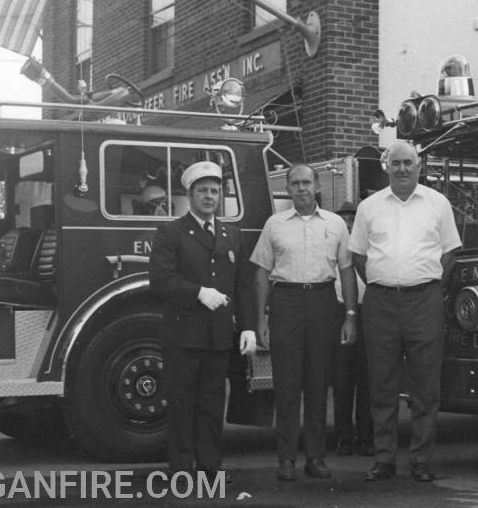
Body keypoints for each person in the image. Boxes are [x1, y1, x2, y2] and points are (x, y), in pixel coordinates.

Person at [349, 140, 462, 483]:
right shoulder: (369, 207)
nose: (401, 169)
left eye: (407, 163)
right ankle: (384, 459)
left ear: (419, 166)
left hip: (424, 302)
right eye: (395, 163)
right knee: (381, 383)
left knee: (425, 386)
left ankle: (421, 461)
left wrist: (428, 287)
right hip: (380, 304)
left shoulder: (438, 203)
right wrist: (384, 281)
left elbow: (450, 252)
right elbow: (357, 255)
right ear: (387, 167)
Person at [149, 161, 257, 483]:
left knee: (212, 406)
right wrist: (198, 293)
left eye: (214, 191)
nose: (209, 197)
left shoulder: (231, 234)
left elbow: (243, 285)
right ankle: (182, 470)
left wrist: (249, 326)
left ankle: (210, 468)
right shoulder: (171, 232)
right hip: (183, 337)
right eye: (203, 191)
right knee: (182, 406)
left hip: (217, 337)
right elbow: (161, 279)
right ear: (190, 195)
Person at [251, 164, 357, 482]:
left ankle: (315, 457)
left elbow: (348, 270)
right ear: (288, 188)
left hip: (324, 302)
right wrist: (261, 319)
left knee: (317, 383)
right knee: (286, 385)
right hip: (286, 303)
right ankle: (286, 459)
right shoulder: (274, 225)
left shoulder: (337, 224)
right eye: (295, 183)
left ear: (316, 187)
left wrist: (350, 315)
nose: (301, 189)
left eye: (306, 183)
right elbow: (260, 273)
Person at [331, 202, 373, 457]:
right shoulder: (332, 248)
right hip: (338, 314)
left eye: (352, 219)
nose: (347, 223)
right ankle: (344, 438)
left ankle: (366, 437)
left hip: (367, 313)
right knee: (342, 379)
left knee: (367, 379)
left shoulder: (369, 248)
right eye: (344, 219)